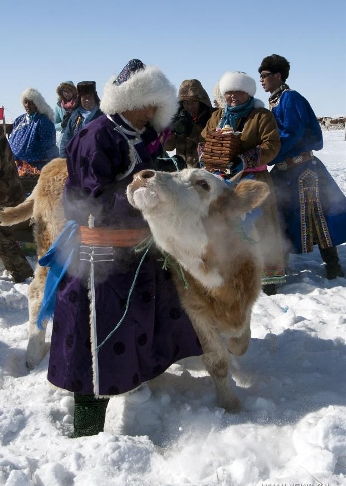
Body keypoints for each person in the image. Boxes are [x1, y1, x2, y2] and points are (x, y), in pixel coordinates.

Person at [41, 59, 202, 437]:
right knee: (96, 342)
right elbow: (89, 199)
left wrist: (166, 176)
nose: (154, 113)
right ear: (134, 98)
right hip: (101, 257)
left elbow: (144, 169)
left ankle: (134, 385)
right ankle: (86, 432)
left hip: (136, 253)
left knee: (139, 330)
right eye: (151, 103)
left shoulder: (132, 132)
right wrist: (146, 194)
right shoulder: (96, 135)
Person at [258, 54, 346, 280]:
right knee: (279, 213)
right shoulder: (275, 101)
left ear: (278, 76)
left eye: (265, 75)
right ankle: (279, 264)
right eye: (260, 75)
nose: (261, 80)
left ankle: (333, 266)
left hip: (304, 169)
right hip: (284, 170)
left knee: (318, 215)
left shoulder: (291, 98)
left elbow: (293, 133)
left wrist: (268, 153)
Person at [201, 71, 286, 295]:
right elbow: (205, 139)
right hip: (222, 181)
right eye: (228, 93)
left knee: (261, 226)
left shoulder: (261, 116)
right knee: (225, 227)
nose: (232, 97)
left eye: (237, 92)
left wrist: (246, 159)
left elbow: (272, 145)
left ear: (247, 93)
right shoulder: (217, 115)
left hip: (253, 181)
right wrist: (207, 155)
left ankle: (269, 277)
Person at [0, 130, 34, 282]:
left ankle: (24, 273)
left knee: (3, 236)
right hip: (7, 189)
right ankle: (23, 273)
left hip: (5, 192)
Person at [164, 79, 213, 168]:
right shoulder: (180, 118)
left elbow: (212, 143)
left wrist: (192, 130)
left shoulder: (212, 117)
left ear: (201, 102)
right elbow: (168, 147)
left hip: (205, 171)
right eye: (186, 103)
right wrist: (170, 131)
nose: (190, 107)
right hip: (183, 171)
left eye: (194, 102)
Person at [8, 88, 59, 173]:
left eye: (30, 102)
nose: (27, 105)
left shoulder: (43, 121)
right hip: (16, 167)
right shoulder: (19, 120)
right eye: (25, 102)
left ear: (37, 104)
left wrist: (55, 165)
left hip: (35, 168)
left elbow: (50, 146)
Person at [59, 81, 103, 158]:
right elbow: (66, 138)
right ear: (80, 98)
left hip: (98, 159)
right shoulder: (75, 116)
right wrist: (63, 158)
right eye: (84, 97)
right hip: (77, 159)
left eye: (89, 97)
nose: (87, 100)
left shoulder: (103, 115)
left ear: (95, 97)